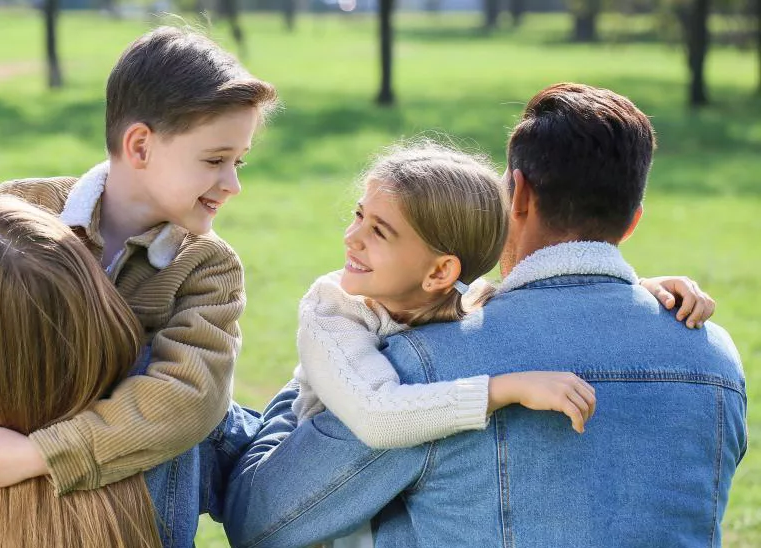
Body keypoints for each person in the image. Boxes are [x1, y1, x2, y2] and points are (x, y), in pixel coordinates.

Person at [224, 83, 744, 548]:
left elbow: (261, 521)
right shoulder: (715, 355)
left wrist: (310, 375)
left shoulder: (426, 364)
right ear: (632, 223)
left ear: (516, 195)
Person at [0, 26, 276, 546]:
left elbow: (191, 393)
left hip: (113, 497)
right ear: (140, 145)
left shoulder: (205, 267)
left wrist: (39, 456)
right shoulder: (21, 209)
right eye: (215, 160)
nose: (233, 184)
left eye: (239, 161)